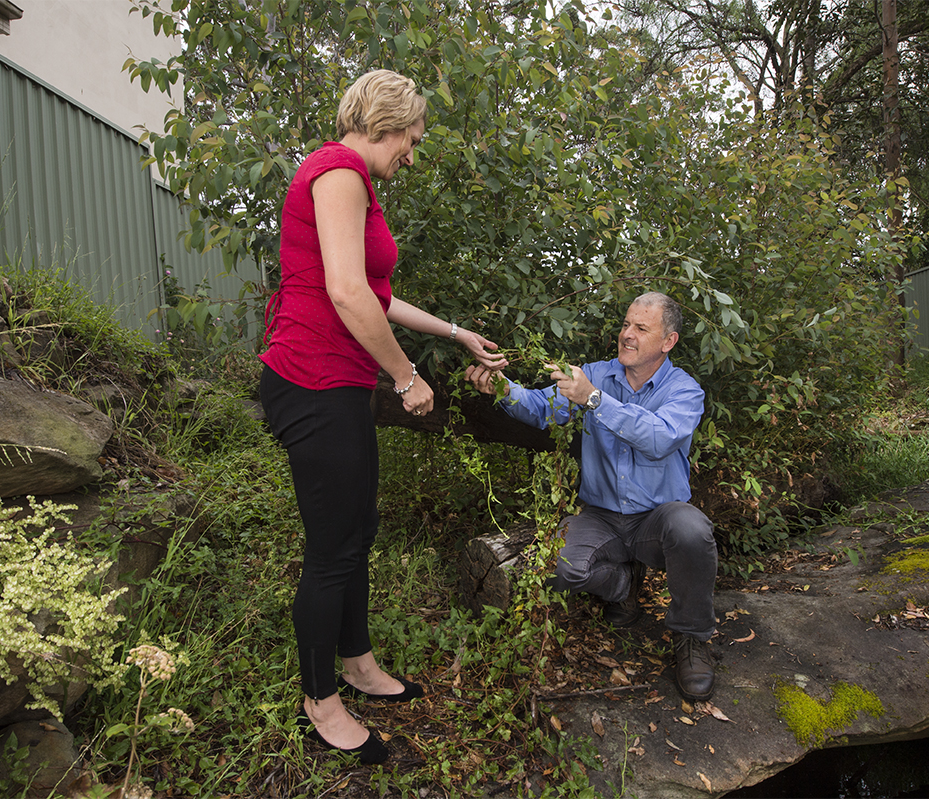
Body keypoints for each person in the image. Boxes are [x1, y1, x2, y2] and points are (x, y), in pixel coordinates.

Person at [259, 69, 506, 764]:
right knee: (333, 546)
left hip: (337, 382)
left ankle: (358, 663)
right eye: (413, 139)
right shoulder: (337, 170)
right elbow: (344, 292)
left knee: (356, 528)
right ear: (386, 124)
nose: (413, 153)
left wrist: (454, 332)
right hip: (309, 381)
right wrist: (405, 376)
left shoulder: (351, 180)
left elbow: (375, 294)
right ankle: (320, 700)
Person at [465, 292, 718, 701]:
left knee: (692, 529)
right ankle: (622, 585)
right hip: (599, 515)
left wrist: (594, 399)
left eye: (641, 328)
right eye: (625, 324)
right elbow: (540, 409)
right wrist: (503, 388)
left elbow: (659, 439)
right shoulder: (595, 374)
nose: (627, 335)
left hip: (657, 519)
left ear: (667, 342)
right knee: (555, 566)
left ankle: (691, 639)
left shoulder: (684, 390)